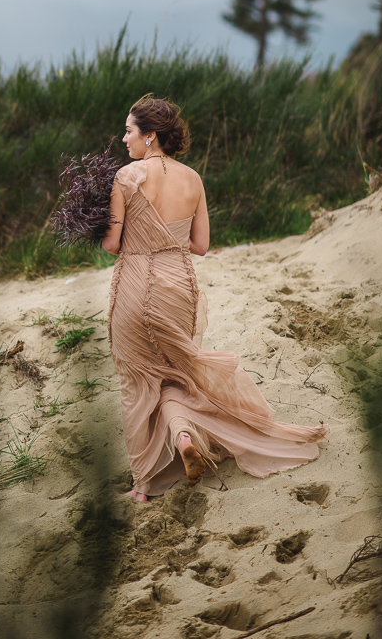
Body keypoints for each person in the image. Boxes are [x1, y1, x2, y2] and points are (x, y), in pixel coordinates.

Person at [102, 95, 327, 502]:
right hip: (177, 288)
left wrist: (101, 222)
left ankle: (145, 484)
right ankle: (183, 435)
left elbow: (112, 245)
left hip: (135, 286)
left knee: (139, 380)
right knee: (177, 373)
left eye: (129, 131)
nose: (123, 138)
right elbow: (201, 245)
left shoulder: (126, 177)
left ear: (150, 136)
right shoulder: (193, 179)